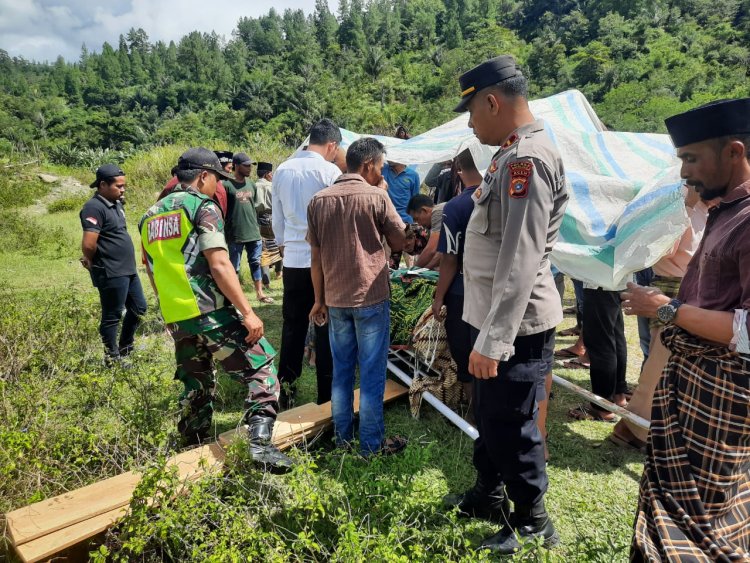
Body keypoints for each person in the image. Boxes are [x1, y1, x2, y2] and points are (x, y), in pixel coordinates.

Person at [443, 55, 568, 554]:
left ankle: (534, 520)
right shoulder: (509, 154)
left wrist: (494, 341)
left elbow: (520, 259)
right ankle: (488, 493)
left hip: (514, 325)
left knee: (512, 422)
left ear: (493, 101)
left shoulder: (527, 160)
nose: (471, 123)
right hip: (488, 315)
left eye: (472, 112)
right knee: (489, 415)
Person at [621, 98, 750, 560]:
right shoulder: (725, 211)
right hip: (692, 387)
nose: (682, 174)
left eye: (691, 159)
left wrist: (665, 308)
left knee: (700, 522)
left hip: (722, 398)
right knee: (674, 507)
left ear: (734, 152)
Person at [139, 147, 293, 472]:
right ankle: (260, 446)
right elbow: (221, 264)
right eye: (216, 180)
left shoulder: (150, 215)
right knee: (261, 369)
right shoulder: (202, 207)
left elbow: (151, 268)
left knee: (196, 385)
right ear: (203, 176)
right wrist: (248, 312)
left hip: (178, 317)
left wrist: (170, 311)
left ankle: (191, 455)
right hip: (211, 312)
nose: (217, 187)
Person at [307, 137, 408, 456]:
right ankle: (370, 445)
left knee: (341, 372)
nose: (383, 174)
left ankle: (342, 440)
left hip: (335, 299)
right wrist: (386, 197)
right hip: (371, 298)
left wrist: (319, 300)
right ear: (368, 166)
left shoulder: (319, 200)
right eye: (380, 168)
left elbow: (316, 257)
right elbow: (400, 240)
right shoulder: (377, 196)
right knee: (373, 371)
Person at [609, 186, 710, 451]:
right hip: (673, 286)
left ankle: (639, 429)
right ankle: (633, 428)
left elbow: (668, 250)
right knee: (657, 359)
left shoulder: (705, 210)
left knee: (661, 360)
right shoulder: (690, 208)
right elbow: (662, 251)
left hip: (682, 287)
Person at [272, 118, 341, 406]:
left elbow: (277, 222)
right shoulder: (330, 171)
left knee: (293, 326)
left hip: (294, 260)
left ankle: (286, 392)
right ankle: (326, 399)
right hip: (324, 263)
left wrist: (285, 247)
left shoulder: (282, 169)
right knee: (326, 327)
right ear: (332, 145)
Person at [80, 164, 147, 364]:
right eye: (118, 186)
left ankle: (126, 347)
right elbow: (89, 244)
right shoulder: (94, 207)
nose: (123, 189)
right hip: (110, 269)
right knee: (112, 315)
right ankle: (112, 357)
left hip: (127, 268)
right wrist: (93, 261)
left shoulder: (116, 203)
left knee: (139, 307)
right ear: (102, 185)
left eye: (124, 185)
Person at [431, 149, 480, 411]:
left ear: (458, 169)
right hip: (493, 289)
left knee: (465, 353)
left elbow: (448, 258)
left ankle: (474, 412)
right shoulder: (499, 198)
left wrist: (438, 297)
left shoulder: (456, 206)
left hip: (462, 291)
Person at [225, 152, 273, 304]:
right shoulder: (226, 185)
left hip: (253, 231)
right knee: (234, 267)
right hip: (236, 233)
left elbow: (254, 207)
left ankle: (260, 293)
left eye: (250, 165)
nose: (249, 168)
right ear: (236, 166)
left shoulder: (251, 184)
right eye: (245, 166)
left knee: (255, 263)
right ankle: (235, 298)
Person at [159, 156, 228, 217]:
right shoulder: (208, 209)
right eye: (217, 180)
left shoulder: (152, 212)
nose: (217, 184)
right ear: (203, 176)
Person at [255, 161, 282, 290]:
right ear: (267, 174)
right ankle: (275, 275)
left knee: (264, 249)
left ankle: (269, 279)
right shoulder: (271, 187)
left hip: (257, 220)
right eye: (271, 173)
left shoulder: (253, 186)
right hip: (271, 218)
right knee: (276, 245)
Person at [407, 194, 444, 269]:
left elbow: (431, 250)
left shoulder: (437, 212)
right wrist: (425, 269)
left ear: (424, 210)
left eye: (417, 219)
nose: (418, 224)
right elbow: (440, 254)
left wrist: (413, 271)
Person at [382, 160, 420, 224]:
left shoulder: (413, 175)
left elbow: (415, 200)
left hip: (404, 219)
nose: (388, 158)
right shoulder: (383, 169)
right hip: (385, 218)